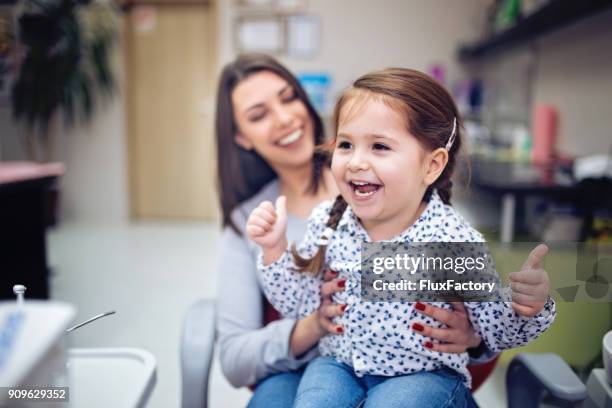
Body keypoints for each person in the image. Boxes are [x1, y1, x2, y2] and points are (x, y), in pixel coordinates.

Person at [247, 67, 556, 407]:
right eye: (346, 144)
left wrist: (526, 307)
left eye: (380, 146)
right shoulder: (328, 223)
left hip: (425, 377)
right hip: (338, 366)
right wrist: (275, 249)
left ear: (431, 166)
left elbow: (494, 330)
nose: (356, 162)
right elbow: (299, 303)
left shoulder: (451, 240)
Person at [216, 54, 492, 408]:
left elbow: (485, 316)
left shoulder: (400, 192)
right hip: (315, 368)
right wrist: (314, 325)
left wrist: (473, 339)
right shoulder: (248, 221)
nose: (284, 118)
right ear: (242, 137)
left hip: (412, 372)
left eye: (289, 98)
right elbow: (234, 358)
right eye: (259, 114)